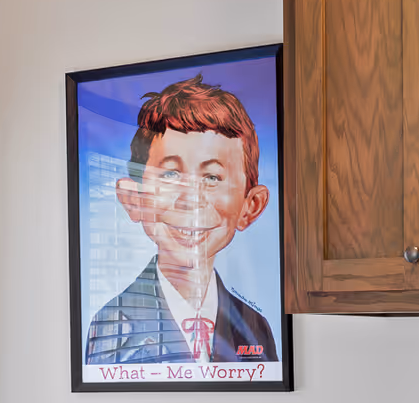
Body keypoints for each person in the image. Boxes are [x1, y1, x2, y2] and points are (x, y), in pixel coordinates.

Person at [85, 74, 279, 365]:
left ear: (250, 206)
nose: (191, 199)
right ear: (133, 198)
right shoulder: (111, 330)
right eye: (171, 175)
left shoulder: (255, 329)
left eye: (212, 177)